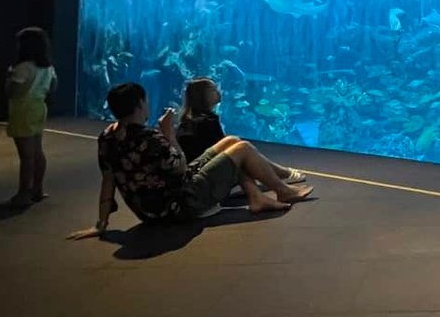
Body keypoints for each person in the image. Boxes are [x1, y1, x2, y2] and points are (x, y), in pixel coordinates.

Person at [69, 82, 313, 240]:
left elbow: (108, 179)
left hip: (149, 211)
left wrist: (101, 223)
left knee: (231, 141)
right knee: (243, 149)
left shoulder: (107, 137)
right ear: (140, 104)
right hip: (181, 203)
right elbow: (181, 167)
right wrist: (169, 135)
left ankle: (257, 197)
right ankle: (283, 191)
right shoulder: (150, 138)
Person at [178, 77, 309, 185]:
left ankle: (279, 173)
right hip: (206, 178)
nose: (219, 91)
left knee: (235, 142)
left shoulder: (189, 120)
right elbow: (221, 154)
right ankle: (280, 174)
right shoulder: (206, 122)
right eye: (213, 89)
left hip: (198, 172)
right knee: (241, 149)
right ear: (202, 96)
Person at [5, 27, 56, 208]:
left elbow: (14, 92)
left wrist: (9, 77)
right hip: (39, 107)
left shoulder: (23, 68)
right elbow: (53, 87)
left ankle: (23, 193)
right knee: (37, 151)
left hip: (23, 110)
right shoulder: (48, 67)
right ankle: (38, 189)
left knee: (26, 155)